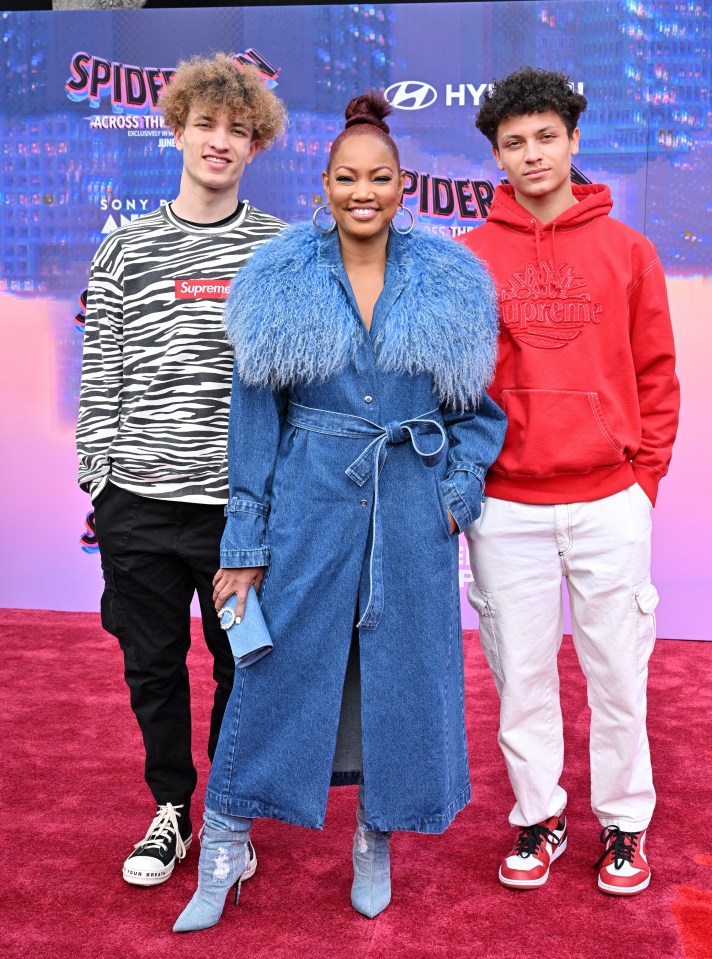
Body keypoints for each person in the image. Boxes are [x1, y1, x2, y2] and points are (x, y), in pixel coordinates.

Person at [172, 91, 507, 932]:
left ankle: (375, 837)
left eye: (381, 177)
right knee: (272, 670)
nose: (365, 192)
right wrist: (244, 542)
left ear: (404, 186)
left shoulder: (452, 281)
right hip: (308, 508)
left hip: (409, 511)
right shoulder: (279, 278)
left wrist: (455, 494)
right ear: (323, 183)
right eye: (347, 177)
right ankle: (224, 843)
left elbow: (479, 413)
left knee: (396, 680)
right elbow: (252, 426)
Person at [459, 67, 680, 896]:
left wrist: (642, 481)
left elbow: (658, 374)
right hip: (506, 505)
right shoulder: (471, 257)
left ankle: (624, 824)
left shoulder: (629, 250)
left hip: (607, 501)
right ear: (497, 156)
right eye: (514, 143)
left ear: (573, 139)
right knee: (521, 676)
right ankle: (539, 815)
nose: (532, 154)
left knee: (620, 674)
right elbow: (454, 385)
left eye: (545, 136)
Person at [75, 53, 287, 888]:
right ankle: (172, 808)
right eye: (206, 124)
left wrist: (267, 503)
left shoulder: (277, 250)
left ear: (257, 144)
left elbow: (295, 382)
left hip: (237, 513)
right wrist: (101, 477)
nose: (221, 141)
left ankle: (230, 812)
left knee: (243, 668)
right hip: (137, 505)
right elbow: (102, 368)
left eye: (239, 130)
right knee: (152, 666)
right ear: (176, 128)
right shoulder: (124, 247)